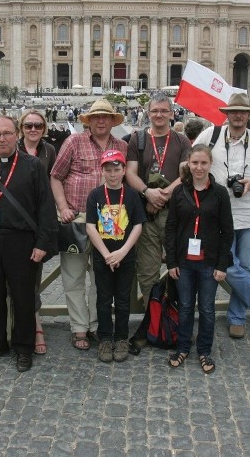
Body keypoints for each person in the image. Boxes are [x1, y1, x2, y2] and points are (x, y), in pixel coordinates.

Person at [0, 115, 57, 372]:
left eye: (7, 133)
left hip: (22, 241)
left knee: (23, 297)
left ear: (16, 134)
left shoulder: (32, 166)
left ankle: (24, 347)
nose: (2, 139)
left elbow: (45, 207)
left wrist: (42, 243)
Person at [193, 92, 250, 339]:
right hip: (219, 217)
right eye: (233, 112)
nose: (238, 116)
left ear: (248, 115)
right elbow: (192, 159)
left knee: (247, 268)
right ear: (226, 114)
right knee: (228, 266)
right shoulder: (211, 136)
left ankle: (237, 318)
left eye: (243, 112)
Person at [51, 100, 127, 351]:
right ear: (89, 121)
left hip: (109, 222)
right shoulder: (73, 142)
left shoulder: (122, 146)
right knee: (73, 276)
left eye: (105, 116)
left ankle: (97, 324)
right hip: (77, 218)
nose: (101, 121)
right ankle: (78, 327)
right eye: (96, 117)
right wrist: (62, 207)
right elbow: (56, 176)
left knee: (101, 278)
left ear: (112, 121)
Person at [124, 92, 191, 334]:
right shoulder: (137, 138)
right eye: (155, 111)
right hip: (146, 216)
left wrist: (161, 196)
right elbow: (129, 173)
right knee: (148, 269)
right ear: (148, 113)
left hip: (175, 215)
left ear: (172, 113)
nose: (159, 115)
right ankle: (154, 321)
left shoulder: (182, 141)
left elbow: (185, 173)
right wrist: (146, 193)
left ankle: (177, 318)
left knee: (180, 266)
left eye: (164, 110)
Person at [165, 144, 233, 374]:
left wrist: (222, 264)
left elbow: (228, 231)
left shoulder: (220, 193)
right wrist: (171, 262)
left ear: (210, 164)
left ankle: (204, 350)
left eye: (203, 163)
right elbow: (171, 228)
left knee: (206, 308)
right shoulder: (179, 192)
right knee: (184, 307)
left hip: (209, 261)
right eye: (195, 163)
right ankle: (183, 346)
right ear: (188, 165)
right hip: (184, 260)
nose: (199, 167)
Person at [86, 149, 145, 363]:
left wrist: (122, 252)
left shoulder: (131, 195)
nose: (112, 174)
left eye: (116, 169)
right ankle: (104, 338)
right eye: (108, 170)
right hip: (103, 255)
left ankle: (121, 337)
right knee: (103, 298)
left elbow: (138, 225)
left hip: (125, 255)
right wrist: (106, 254)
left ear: (123, 171)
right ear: (102, 171)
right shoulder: (95, 195)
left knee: (122, 299)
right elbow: (91, 226)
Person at [17, 110, 56, 355]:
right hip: (14, 222)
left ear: (44, 128)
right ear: (21, 128)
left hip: (38, 222)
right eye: (29, 125)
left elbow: (54, 181)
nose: (33, 129)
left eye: (38, 126)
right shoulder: (11, 146)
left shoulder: (49, 151)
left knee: (34, 275)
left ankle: (35, 322)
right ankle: (21, 324)